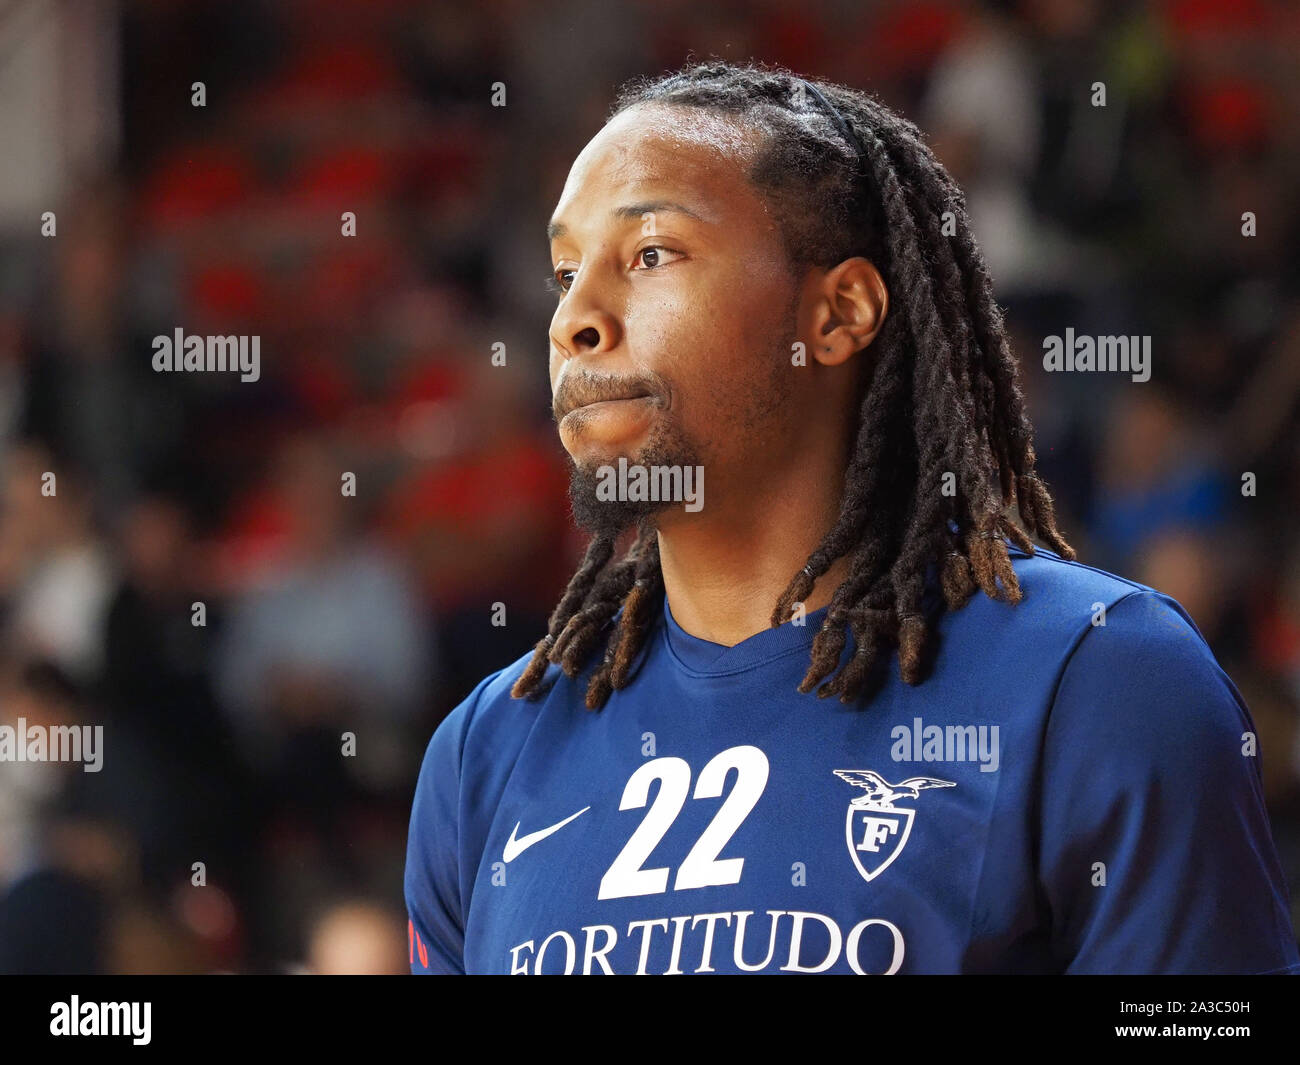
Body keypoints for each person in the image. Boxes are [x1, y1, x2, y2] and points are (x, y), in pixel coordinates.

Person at [405, 60, 1299, 975]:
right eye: (564, 272)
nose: (575, 319)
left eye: (651, 255)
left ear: (839, 313)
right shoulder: (484, 755)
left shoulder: (1104, 682)